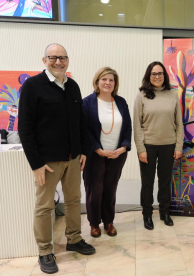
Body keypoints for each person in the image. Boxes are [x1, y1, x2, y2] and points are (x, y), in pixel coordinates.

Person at [18, 44, 95, 274]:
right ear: (44, 60)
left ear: (68, 60)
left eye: (62, 58)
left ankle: (74, 239)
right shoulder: (33, 86)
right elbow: (25, 128)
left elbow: (79, 122)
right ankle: (45, 251)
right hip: (47, 162)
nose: (58, 62)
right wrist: (36, 163)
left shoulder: (73, 86)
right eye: (53, 58)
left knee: (73, 201)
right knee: (44, 207)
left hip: (73, 158)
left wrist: (82, 151)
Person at [134, 61, 184, 230]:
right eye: (154, 74)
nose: (157, 76)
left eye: (160, 73)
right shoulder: (142, 95)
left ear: (164, 76)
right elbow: (137, 125)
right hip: (148, 146)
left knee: (165, 181)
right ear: (149, 76)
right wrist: (141, 149)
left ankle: (164, 212)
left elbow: (179, 124)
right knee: (147, 182)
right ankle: (147, 215)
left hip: (168, 145)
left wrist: (178, 146)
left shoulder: (172, 95)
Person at [82, 67, 132, 238]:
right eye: (104, 79)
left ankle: (109, 222)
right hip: (95, 154)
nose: (108, 83)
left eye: (111, 80)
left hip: (117, 154)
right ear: (97, 82)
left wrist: (124, 147)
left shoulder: (121, 102)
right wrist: (99, 150)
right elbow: (85, 130)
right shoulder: (87, 103)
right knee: (94, 190)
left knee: (110, 189)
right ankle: (94, 223)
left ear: (115, 84)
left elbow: (127, 127)